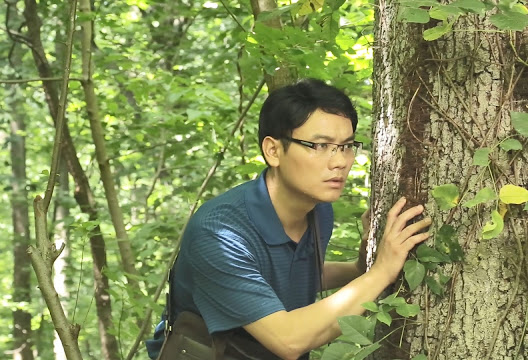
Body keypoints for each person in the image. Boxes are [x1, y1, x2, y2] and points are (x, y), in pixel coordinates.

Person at [146, 78, 431, 360]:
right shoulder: (219, 233)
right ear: (273, 150)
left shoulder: (318, 210)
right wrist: (381, 272)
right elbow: (289, 340)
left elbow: (287, 277)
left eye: (346, 145)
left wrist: (360, 266)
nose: (340, 161)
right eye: (320, 146)